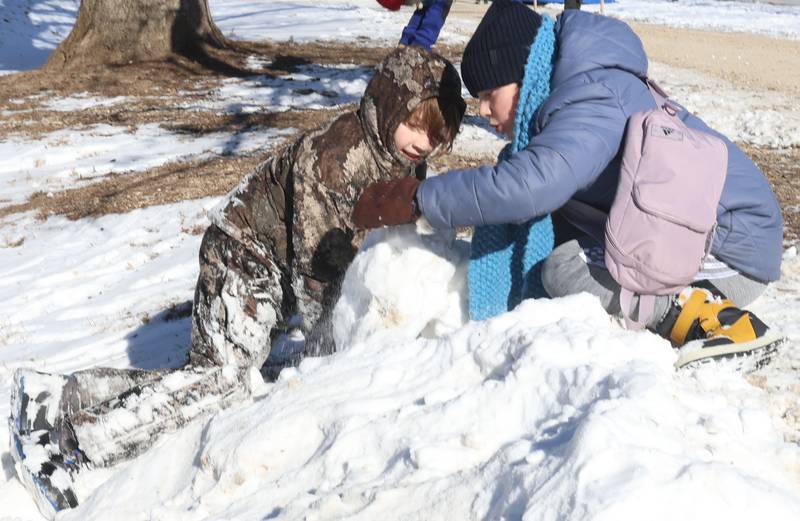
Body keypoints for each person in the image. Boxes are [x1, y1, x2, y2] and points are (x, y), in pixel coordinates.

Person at [9, 46, 465, 519]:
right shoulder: (335, 157)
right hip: (242, 254)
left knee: (226, 381)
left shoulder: (401, 159)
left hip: (278, 274)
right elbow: (318, 274)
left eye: (437, 136)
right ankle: (69, 448)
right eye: (416, 125)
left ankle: (60, 399)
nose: (423, 144)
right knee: (224, 383)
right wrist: (334, 361)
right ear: (389, 103)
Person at [353, 0, 784, 368]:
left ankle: (702, 314)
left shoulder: (591, 97)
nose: (482, 110)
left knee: (562, 271)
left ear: (521, 75)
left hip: (731, 247)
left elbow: (529, 185)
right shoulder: (574, 93)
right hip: (695, 232)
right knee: (552, 246)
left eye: (489, 94)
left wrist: (421, 199)